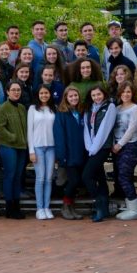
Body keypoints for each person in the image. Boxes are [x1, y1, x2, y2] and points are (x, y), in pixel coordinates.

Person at [81, 85, 116, 222]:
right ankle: (104, 209)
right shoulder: (89, 109)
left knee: (86, 176)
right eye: (94, 95)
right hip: (91, 147)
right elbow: (87, 128)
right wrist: (89, 146)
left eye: (99, 94)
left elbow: (105, 129)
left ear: (104, 94)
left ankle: (99, 204)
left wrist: (94, 147)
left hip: (103, 146)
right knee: (100, 176)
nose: (96, 97)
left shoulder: (110, 107)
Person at [0, 80, 29, 220]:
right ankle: (9, 207)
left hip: (22, 147)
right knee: (10, 175)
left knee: (18, 176)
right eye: (13, 90)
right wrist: (13, 137)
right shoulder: (3, 107)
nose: (16, 92)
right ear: (8, 92)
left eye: (18, 90)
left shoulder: (21, 107)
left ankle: (17, 205)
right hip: (8, 146)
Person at [54, 86, 86, 220]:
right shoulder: (61, 114)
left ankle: (71, 207)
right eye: (71, 96)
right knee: (73, 180)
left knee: (77, 182)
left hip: (81, 153)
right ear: (66, 98)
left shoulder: (82, 112)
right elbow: (59, 136)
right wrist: (62, 156)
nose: (74, 98)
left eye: (75, 95)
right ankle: (66, 206)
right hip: (69, 155)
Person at [113, 82, 137, 221]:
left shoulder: (135, 108)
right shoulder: (117, 108)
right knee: (124, 177)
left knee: (124, 176)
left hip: (130, 146)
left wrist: (119, 144)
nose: (126, 94)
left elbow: (132, 129)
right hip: (117, 147)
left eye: (129, 92)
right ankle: (131, 206)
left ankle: (135, 209)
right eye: (123, 92)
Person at [28, 85, 57, 220]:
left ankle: (47, 207)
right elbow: (29, 131)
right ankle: (39, 208)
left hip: (51, 147)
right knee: (40, 178)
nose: (44, 95)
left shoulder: (53, 109)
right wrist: (31, 150)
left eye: (46, 93)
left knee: (48, 178)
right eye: (41, 93)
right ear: (38, 94)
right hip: (38, 147)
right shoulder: (33, 109)